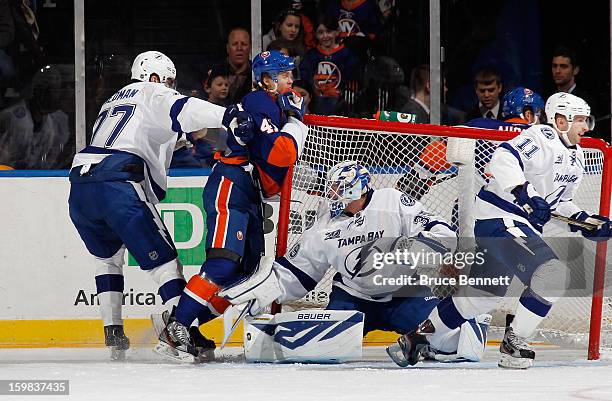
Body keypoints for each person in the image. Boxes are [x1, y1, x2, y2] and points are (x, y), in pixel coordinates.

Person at [386, 92, 612, 369]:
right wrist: (524, 192)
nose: (586, 126)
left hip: (511, 225)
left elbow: (558, 204)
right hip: (500, 219)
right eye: (579, 119)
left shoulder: (576, 158)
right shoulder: (543, 135)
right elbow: (504, 157)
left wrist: (585, 221)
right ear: (560, 119)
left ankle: (417, 338)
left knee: (481, 297)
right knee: (552, 273)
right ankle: (514, 342)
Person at [218, 160, 491, 363]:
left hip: (405, 293)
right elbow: (298, 273)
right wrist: (268, 289)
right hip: (354, 297)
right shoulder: (325, 226)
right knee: (321, 349)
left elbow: (436, 227)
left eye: (339, 188)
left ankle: (470, 321)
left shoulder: (391, 200)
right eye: (332, 187)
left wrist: (431, 247)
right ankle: (271, 334)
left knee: (450, 344)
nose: (333, 193)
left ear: (357, 187)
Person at [68, 51, 235, 360]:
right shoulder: (152, 91)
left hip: (80, 186)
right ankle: (180, 332)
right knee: (166, 264)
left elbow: (143, 134)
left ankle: (113, 332)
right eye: (169, 81)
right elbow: (185, 109)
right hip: (117, 184)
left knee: (107, 258)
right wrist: (229, 115)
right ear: (154, 77)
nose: (171, 87)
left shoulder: (113, 100)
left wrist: (186, 139)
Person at [155, 50, 309, 362]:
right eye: (283, 75)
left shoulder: (272, 105)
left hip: (248, 193)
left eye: (290, 73)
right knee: (224, 263)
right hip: (232, 185)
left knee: (246, 274)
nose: (291, 80)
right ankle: (178, 326)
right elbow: (282, 154)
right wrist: (295, 120)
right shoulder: (260, 103)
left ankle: (188, 321)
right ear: (266, 80)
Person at [299, 14, 358, 115]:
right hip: (316, 106)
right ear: (315, 35)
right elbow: (305, 79)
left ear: (337, 31)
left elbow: (353, 80)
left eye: (329, 31)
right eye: (321, 32)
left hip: (342, 109)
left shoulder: (347, 54)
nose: (325, 36)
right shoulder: (311, 55)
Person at [222, 27, 253, 104]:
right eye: (235, 44)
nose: (239, 48)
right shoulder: (216, 72)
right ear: (227, 48)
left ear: (250, 48)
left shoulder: (257, 73)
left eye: (244, 44)